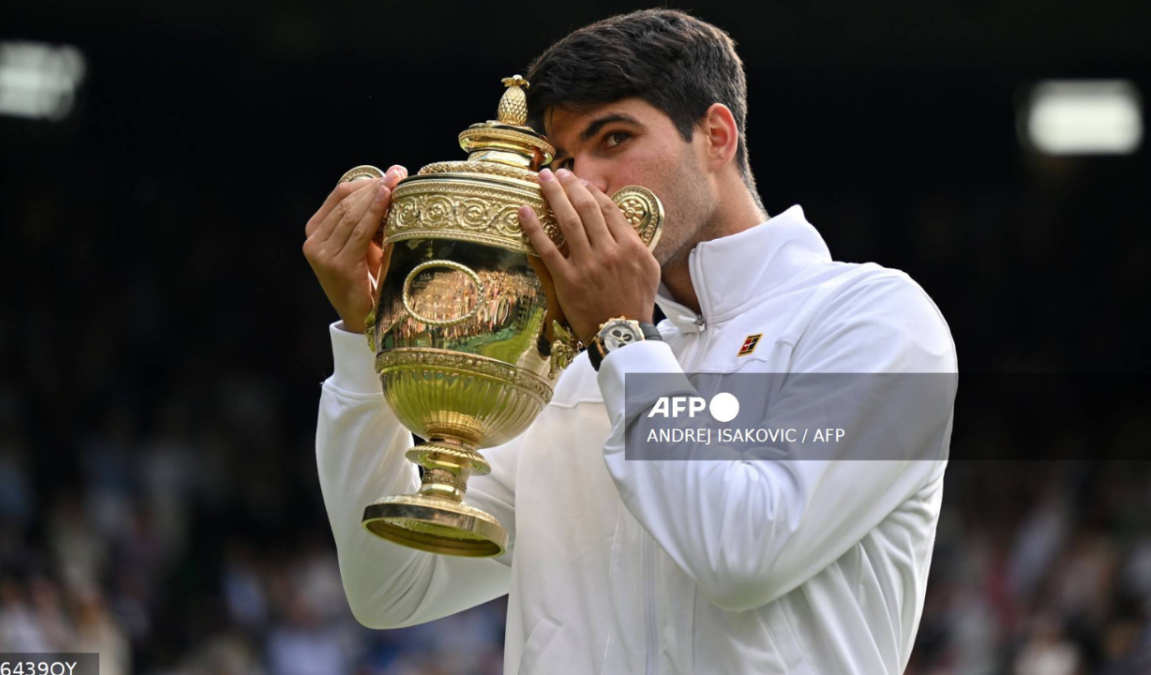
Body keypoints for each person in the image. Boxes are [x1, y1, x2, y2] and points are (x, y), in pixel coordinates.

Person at [302, 9, 956, 674]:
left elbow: (746, 554)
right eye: (561, 159)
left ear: (716, 136)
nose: (582, 183)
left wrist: (622, 338)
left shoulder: (881, 321)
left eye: (613, 138)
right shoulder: (569, 369)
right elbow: (393, 585)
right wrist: (365, 338)